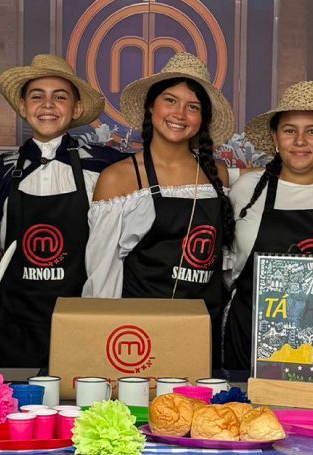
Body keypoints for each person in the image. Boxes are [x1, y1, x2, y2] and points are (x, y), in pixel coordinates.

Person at [83, 52, 236, 350]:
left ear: (202, 118)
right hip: (139, 334)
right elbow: (102, 274)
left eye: (193, 107)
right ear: (151, 106)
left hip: (203, 329)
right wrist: (105, 340)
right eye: (170, 100)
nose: (180, 113)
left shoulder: (217, 173)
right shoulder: (118, 178)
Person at [0, 55, 125, 368]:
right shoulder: (5, 167)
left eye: (60, 97)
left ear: (76, 109)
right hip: (13, 323)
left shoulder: (102, 166)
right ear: (23, 107)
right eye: (37, 96)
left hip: (77, 319)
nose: (47, 105)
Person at [220, 81, 313, 372]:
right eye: (289, 131)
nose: (300, 141)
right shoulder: (246, 190)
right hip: (247, 336)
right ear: (275, 137)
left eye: (312, 131)